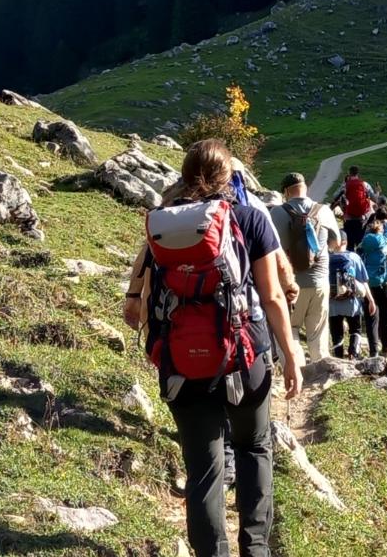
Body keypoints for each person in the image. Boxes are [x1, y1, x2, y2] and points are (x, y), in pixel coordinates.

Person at [122, 139, 300, 557]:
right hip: (245, 356)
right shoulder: (250, 218)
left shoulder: (162, 224)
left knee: (203, 470)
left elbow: (141, 292)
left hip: (181, 362)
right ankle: (255, 548)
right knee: (254, 447)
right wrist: (291, 354)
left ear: (184, 176)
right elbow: (273, 296)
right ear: (229, 177)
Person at [270, 172, 330, 366]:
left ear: (286, 192)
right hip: (320, 280)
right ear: (306, 188)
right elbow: (337, 242)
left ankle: (296, 372)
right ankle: (320, 374)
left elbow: (270, 248)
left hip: (290, 285)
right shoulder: (324, 211)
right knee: (317, 332)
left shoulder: (277, 213)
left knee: (291, 328)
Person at [356, 216, 387, 357]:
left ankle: (373, 352)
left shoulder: (362, 244)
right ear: (381, 230)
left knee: (371, 319)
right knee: (386, 318)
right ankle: (386, 349)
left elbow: (358, 265)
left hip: (368, 286)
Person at [326, 229, 370, 357]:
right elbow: (363, 281)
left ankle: (338, 356)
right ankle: (353, 354)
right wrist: (370, 300)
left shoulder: (326, 258)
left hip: (332, 302)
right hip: (352, 303)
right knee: (355, 329)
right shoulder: (354, 257)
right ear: (345, 241)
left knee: (336, 332)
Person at [337, 164, 375, 241]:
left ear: (349, 173)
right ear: (358, 173)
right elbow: (374, 198)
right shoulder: (365, 184)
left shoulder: (345, 185)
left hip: (349, 216)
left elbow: (336, 195)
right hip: (361, 217)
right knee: (359, 240)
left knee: (349, 241)